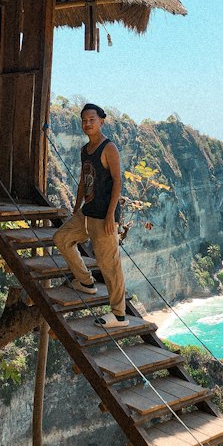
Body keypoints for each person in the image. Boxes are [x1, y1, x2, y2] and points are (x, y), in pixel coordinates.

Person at [54, 103, 127, 326]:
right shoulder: (85, 150)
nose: (87, 124)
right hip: (86, 214)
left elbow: (117, 182)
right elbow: (84, 182)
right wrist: (76, 207)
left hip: (104, 217)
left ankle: (119, 314)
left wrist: (110, 216)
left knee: (109, 265)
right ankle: (85, 282)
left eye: (92, 119)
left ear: (101, 121)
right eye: (84, 120)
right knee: (62, 238)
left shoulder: (109, 148)